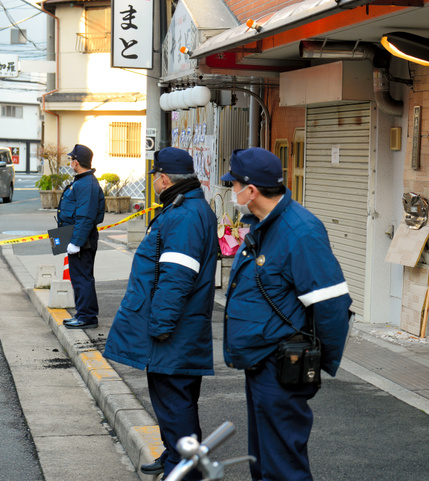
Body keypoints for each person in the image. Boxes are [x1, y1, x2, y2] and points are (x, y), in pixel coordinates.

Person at [221, 147, 352, 481]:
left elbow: (332, 304)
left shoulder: (300, 231)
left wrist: (315, 363)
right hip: (262, 360)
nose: (231, 191)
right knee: (264, 461)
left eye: (234, 185)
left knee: (283, 466)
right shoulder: (263, 225)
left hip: (283, 366)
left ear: (251, 191)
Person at [103, 147, 218, 480]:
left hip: (174, 330)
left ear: (164, 178)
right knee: (173, 400)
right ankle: (175, 454)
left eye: (155, 176)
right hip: (178, 328)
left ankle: (183, 470)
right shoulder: (185, 209)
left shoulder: (183, 215)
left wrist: (161, 325)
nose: (154, 181)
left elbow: (177, 276)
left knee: (175, 401)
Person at [58, 144, 105, 329]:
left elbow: (85, 216)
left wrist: (76, 242)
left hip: (82, 240)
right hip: (77, 237)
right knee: (79, 277)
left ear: (76, 162)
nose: (70, 162)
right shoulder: (82, 181)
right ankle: (83, 313)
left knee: (82, 277)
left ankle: (87, 317)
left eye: (71, 159)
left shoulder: (86, 184)